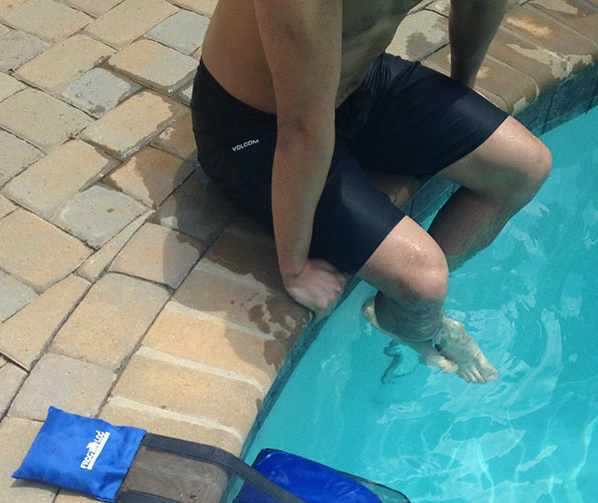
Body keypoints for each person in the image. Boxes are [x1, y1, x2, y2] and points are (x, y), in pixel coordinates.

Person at [190, 0, 552, 383]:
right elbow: (302, 128)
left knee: (526, 168)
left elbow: (480, 5)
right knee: (425, 281)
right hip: (258, 128)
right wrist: (294, 267)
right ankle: (414, 319)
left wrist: (456, 99)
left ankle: (402, 311)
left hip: (361, 84)